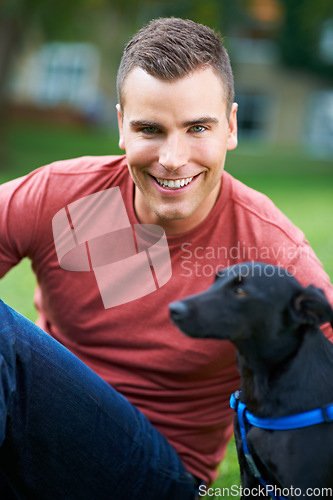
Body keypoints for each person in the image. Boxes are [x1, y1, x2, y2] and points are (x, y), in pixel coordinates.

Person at [0, 17, 332, 500]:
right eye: (150, 129)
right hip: (33, 443)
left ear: (231, 127)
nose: (173, 157)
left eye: (198, 127)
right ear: (121, 126)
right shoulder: (60, 196)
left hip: (155, 477)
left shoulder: (272, 253)